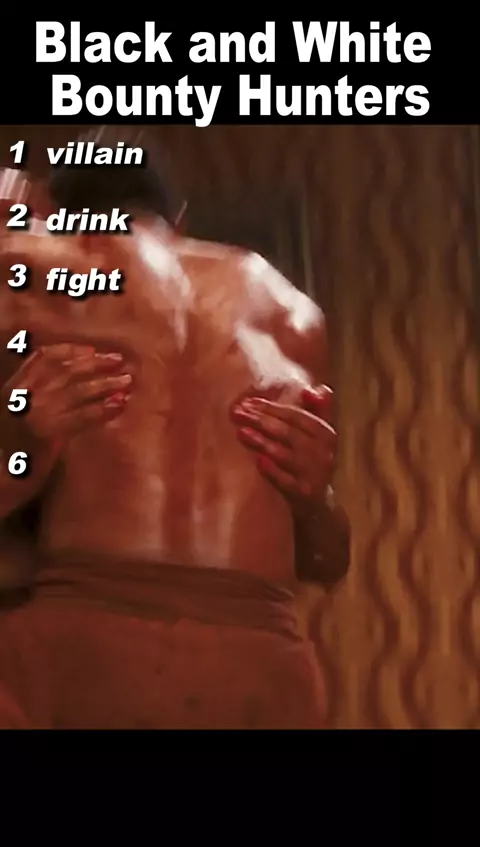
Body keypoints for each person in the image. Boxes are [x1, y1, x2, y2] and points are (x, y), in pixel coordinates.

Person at [0, 135, 350, 728]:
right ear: (179, 221)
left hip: (84, 656)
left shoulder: (28, 273)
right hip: (263, 673)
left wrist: (22, 448)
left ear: (59, 218)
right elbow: (329, 561)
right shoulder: (294, 312)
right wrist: (318, 499)